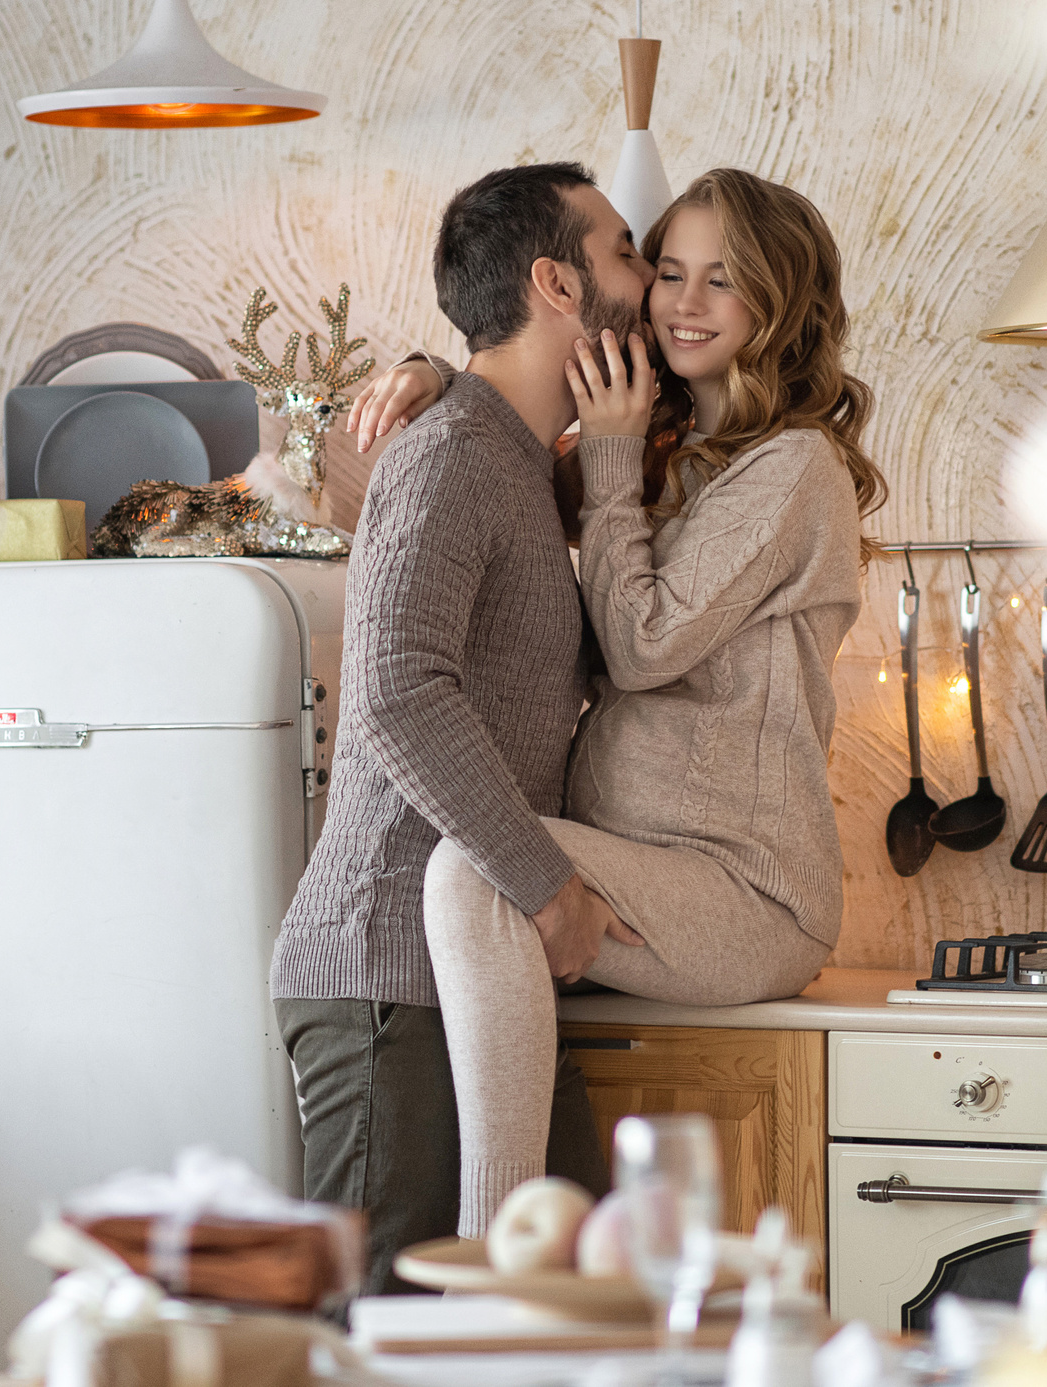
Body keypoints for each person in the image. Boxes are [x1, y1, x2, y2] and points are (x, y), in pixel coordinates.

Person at [352, 168, 886, 1234]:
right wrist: (436, 374)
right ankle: (516, 1254)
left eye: (722, 282)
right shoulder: (655, 451)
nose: (680, 301)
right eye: (667, 270)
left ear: (780, 303)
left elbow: (638, 649)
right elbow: (493, 444)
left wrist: (603, 456)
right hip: (636, 890)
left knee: (477, 869)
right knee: (491, 874)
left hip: (743, 892)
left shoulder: (793, 472)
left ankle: (495, 1245)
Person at [268, 160, 658, 1294]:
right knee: (388, 1343)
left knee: (562, 1312)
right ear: (557, 283)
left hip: (474, 968)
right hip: (389, 976)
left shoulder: (514, 460)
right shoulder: (452, 456)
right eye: (626, 251)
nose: (647, 278)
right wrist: (548, 886)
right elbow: (394, 688)